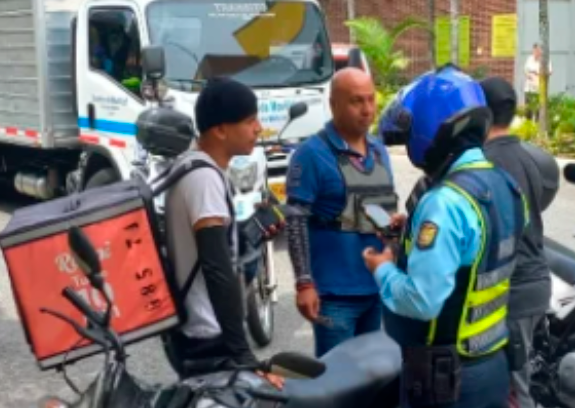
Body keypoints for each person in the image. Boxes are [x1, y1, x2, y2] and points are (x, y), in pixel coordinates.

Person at [364, 66, 528, 408]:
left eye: (409, 137)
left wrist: (383, 269)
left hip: (445, 375)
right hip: (492, 364)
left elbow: (422, 301)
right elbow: (477, 256)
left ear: (429, 131)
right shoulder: (504, 185)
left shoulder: (444, 202)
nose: (409, 148)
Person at [159, 77, 281, 387]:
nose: (258, 128)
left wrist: (252, 230)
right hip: (207, 337)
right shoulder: (204, 179)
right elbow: (216, 267)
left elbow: (216, 249)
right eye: (250, 120)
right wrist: (242, 354)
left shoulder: (195, 168)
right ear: (221, 129)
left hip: (199, 331)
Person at [285, 68, 399, 357]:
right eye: (356, 101)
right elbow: (295, 219)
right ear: (333, 104)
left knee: (374, 380)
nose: (367, 109)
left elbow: (383, 212)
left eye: (371, 100)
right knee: (336, 384)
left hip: (377, 288)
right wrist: (303, 282)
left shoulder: (378, 150)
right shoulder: (311, 154)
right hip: (334, 296)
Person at [476, 77, 560, 408]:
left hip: (512, 288)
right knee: (512, 380)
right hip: (536, 282)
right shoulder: (529, 156)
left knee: (513, 392)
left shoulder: (487, 162)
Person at [523, 44, 552, 121]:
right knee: (528, 109)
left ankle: (537, 126)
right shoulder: (529, 59)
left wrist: (538, 73)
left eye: (537, 51)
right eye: (534, 51)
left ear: (540, 51)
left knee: (538, 110)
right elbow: (525, 70)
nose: (536, 52)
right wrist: (528, 74)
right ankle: (527, 125)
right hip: (529, 88)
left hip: (539, 88)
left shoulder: (545, 60)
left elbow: (550, 72)